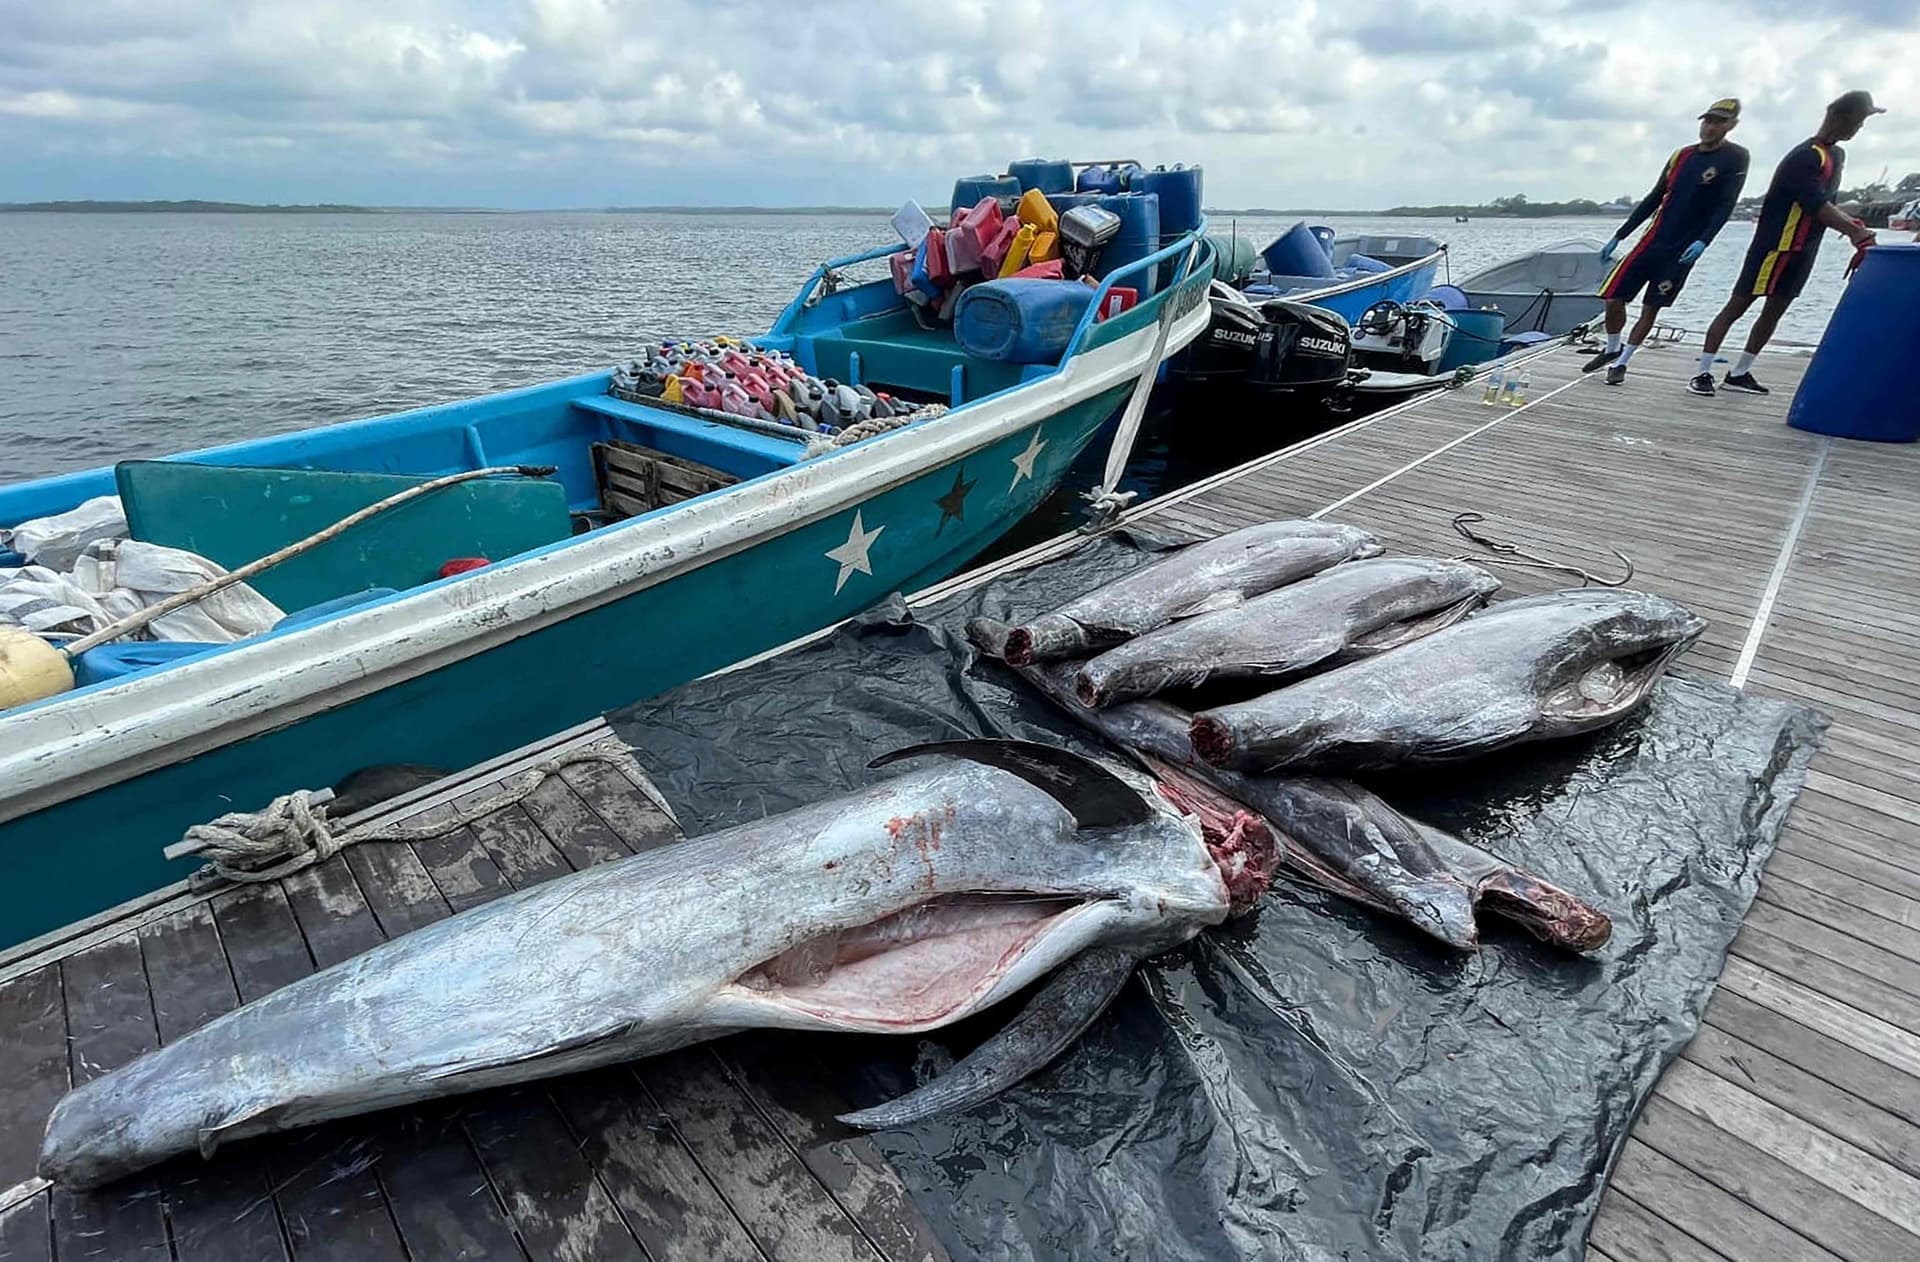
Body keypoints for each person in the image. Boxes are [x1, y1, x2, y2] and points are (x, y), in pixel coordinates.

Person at [1693, 91, 1884, 396]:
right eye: (1859, 121)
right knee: (1738, 306)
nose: (1859, 128)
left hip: (1804, 248)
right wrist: (1855, 233)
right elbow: (1815, 203)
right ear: (1840, 117)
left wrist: (1853, 224)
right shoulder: (1805, 156)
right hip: (1774, 246)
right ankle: (1702, 372)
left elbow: (1829, 204)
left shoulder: (1836, 156)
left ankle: (1740, 372)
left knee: (1775, 310)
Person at [1586, 99, 1749, 386]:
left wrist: (1704, 242)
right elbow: (1654, 197)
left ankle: (1623, 363)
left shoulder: (1735, 158)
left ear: (1731, 125)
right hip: (1653, 239)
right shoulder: (1682, 156)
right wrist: (1620, 235)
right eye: (1707, 120)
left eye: (1718, 122)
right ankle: (1612, 347)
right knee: (1613, 296)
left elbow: (1725, 205)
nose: (1710, 127)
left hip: (1683, 248)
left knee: (1652, 306)